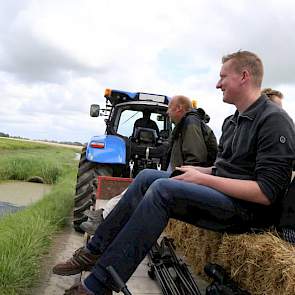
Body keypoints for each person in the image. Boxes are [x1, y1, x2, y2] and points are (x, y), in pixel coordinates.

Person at [53, 51, 295, 295]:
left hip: (249, 212)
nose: (217, 83)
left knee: (162, 190)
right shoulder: (232, 121)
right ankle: (94, 251)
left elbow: (266, 193)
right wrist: (200, 170)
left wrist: (203, 179)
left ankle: (98, 286)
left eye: (223, 77)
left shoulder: (274, 120)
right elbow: (226, 169)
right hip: (227, 197)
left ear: (244, 76)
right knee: (147, 177)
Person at [80, 95, 218, 234]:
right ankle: (105, 216)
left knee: (145, 180)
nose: (167, 113)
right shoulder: (186, 125)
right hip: (188, 176)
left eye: (169, 109)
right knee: (143, 179)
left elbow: (195, 160)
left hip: (192, 179)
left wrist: (178, 178)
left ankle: (106, 217)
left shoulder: (190, 123)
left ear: (179, 108)